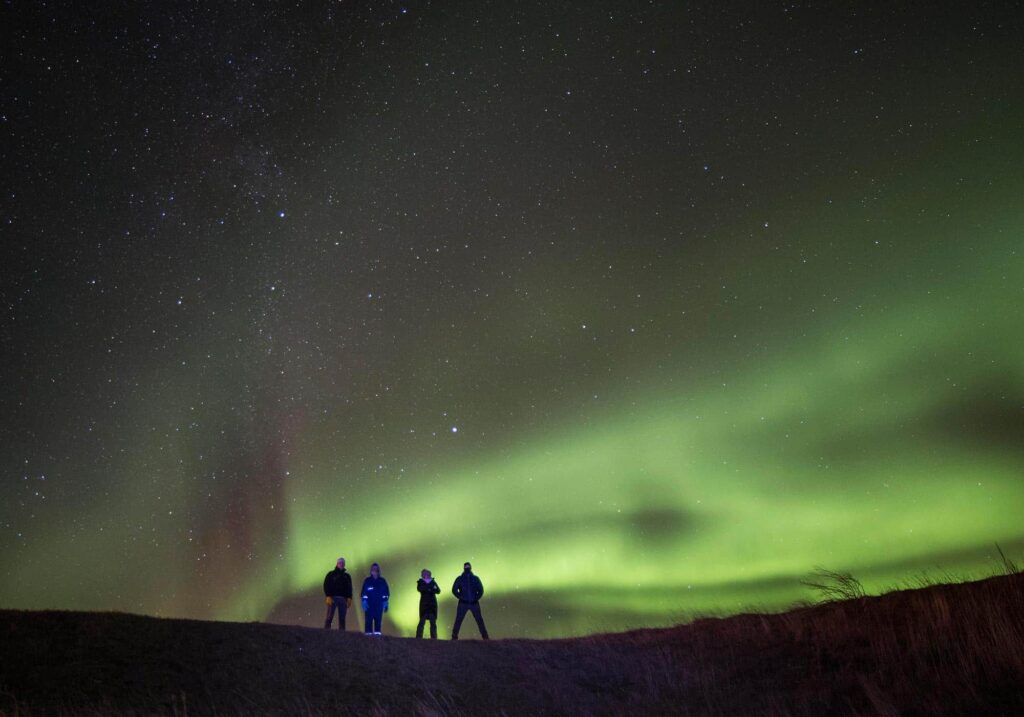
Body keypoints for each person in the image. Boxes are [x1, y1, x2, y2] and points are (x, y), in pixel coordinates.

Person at [451, 561, 489, 640]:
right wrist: (461, 597)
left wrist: (475, 598)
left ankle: (485, 636)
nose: (467, 568)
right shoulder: (461, 579)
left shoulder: (474, 578)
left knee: (479, 619)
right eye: (466, 567)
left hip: (472, 603)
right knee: (459, 619)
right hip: (464, 603)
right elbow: (454, 590)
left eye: (468, 567)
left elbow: (481, 590)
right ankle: (454, 636)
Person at [360, 562, 390, 635]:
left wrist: (385, 602)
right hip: (369, 606)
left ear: (378, 570)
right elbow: (364, 593)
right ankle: (368, 640)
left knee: (378, 623)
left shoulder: (382, 581)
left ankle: (377, 640)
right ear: (371, 570)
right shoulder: (367, 581)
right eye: (373, 568)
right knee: (368, 623)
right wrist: (364, 601)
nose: (375, 570)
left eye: (376, 569)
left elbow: (386, 593)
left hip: (378, 606)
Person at [323, 557, 353, 630]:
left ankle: (342, 634)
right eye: (340, 563)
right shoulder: (331, 574)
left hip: (343, 599)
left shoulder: (347, 576)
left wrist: (349, 598)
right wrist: (328, 596)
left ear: (344, 564)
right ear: (337, 564)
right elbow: (326, 585)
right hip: (333, 598)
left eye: (343, 563)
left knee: (342, 618)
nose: (341, 564)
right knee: (329, 617)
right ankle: (326, 633)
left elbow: (349, 588)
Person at [416, 568, 442, 639]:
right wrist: (430, 589)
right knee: (422, 622)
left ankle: (433, 638)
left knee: (432, 623)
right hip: (424, 605)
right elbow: (419, 589)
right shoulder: (421, 582)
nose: (423, 575)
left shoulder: (433, 582)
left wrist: (429, 589)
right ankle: (419, 637)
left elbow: (438, 590)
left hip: (431, 605)